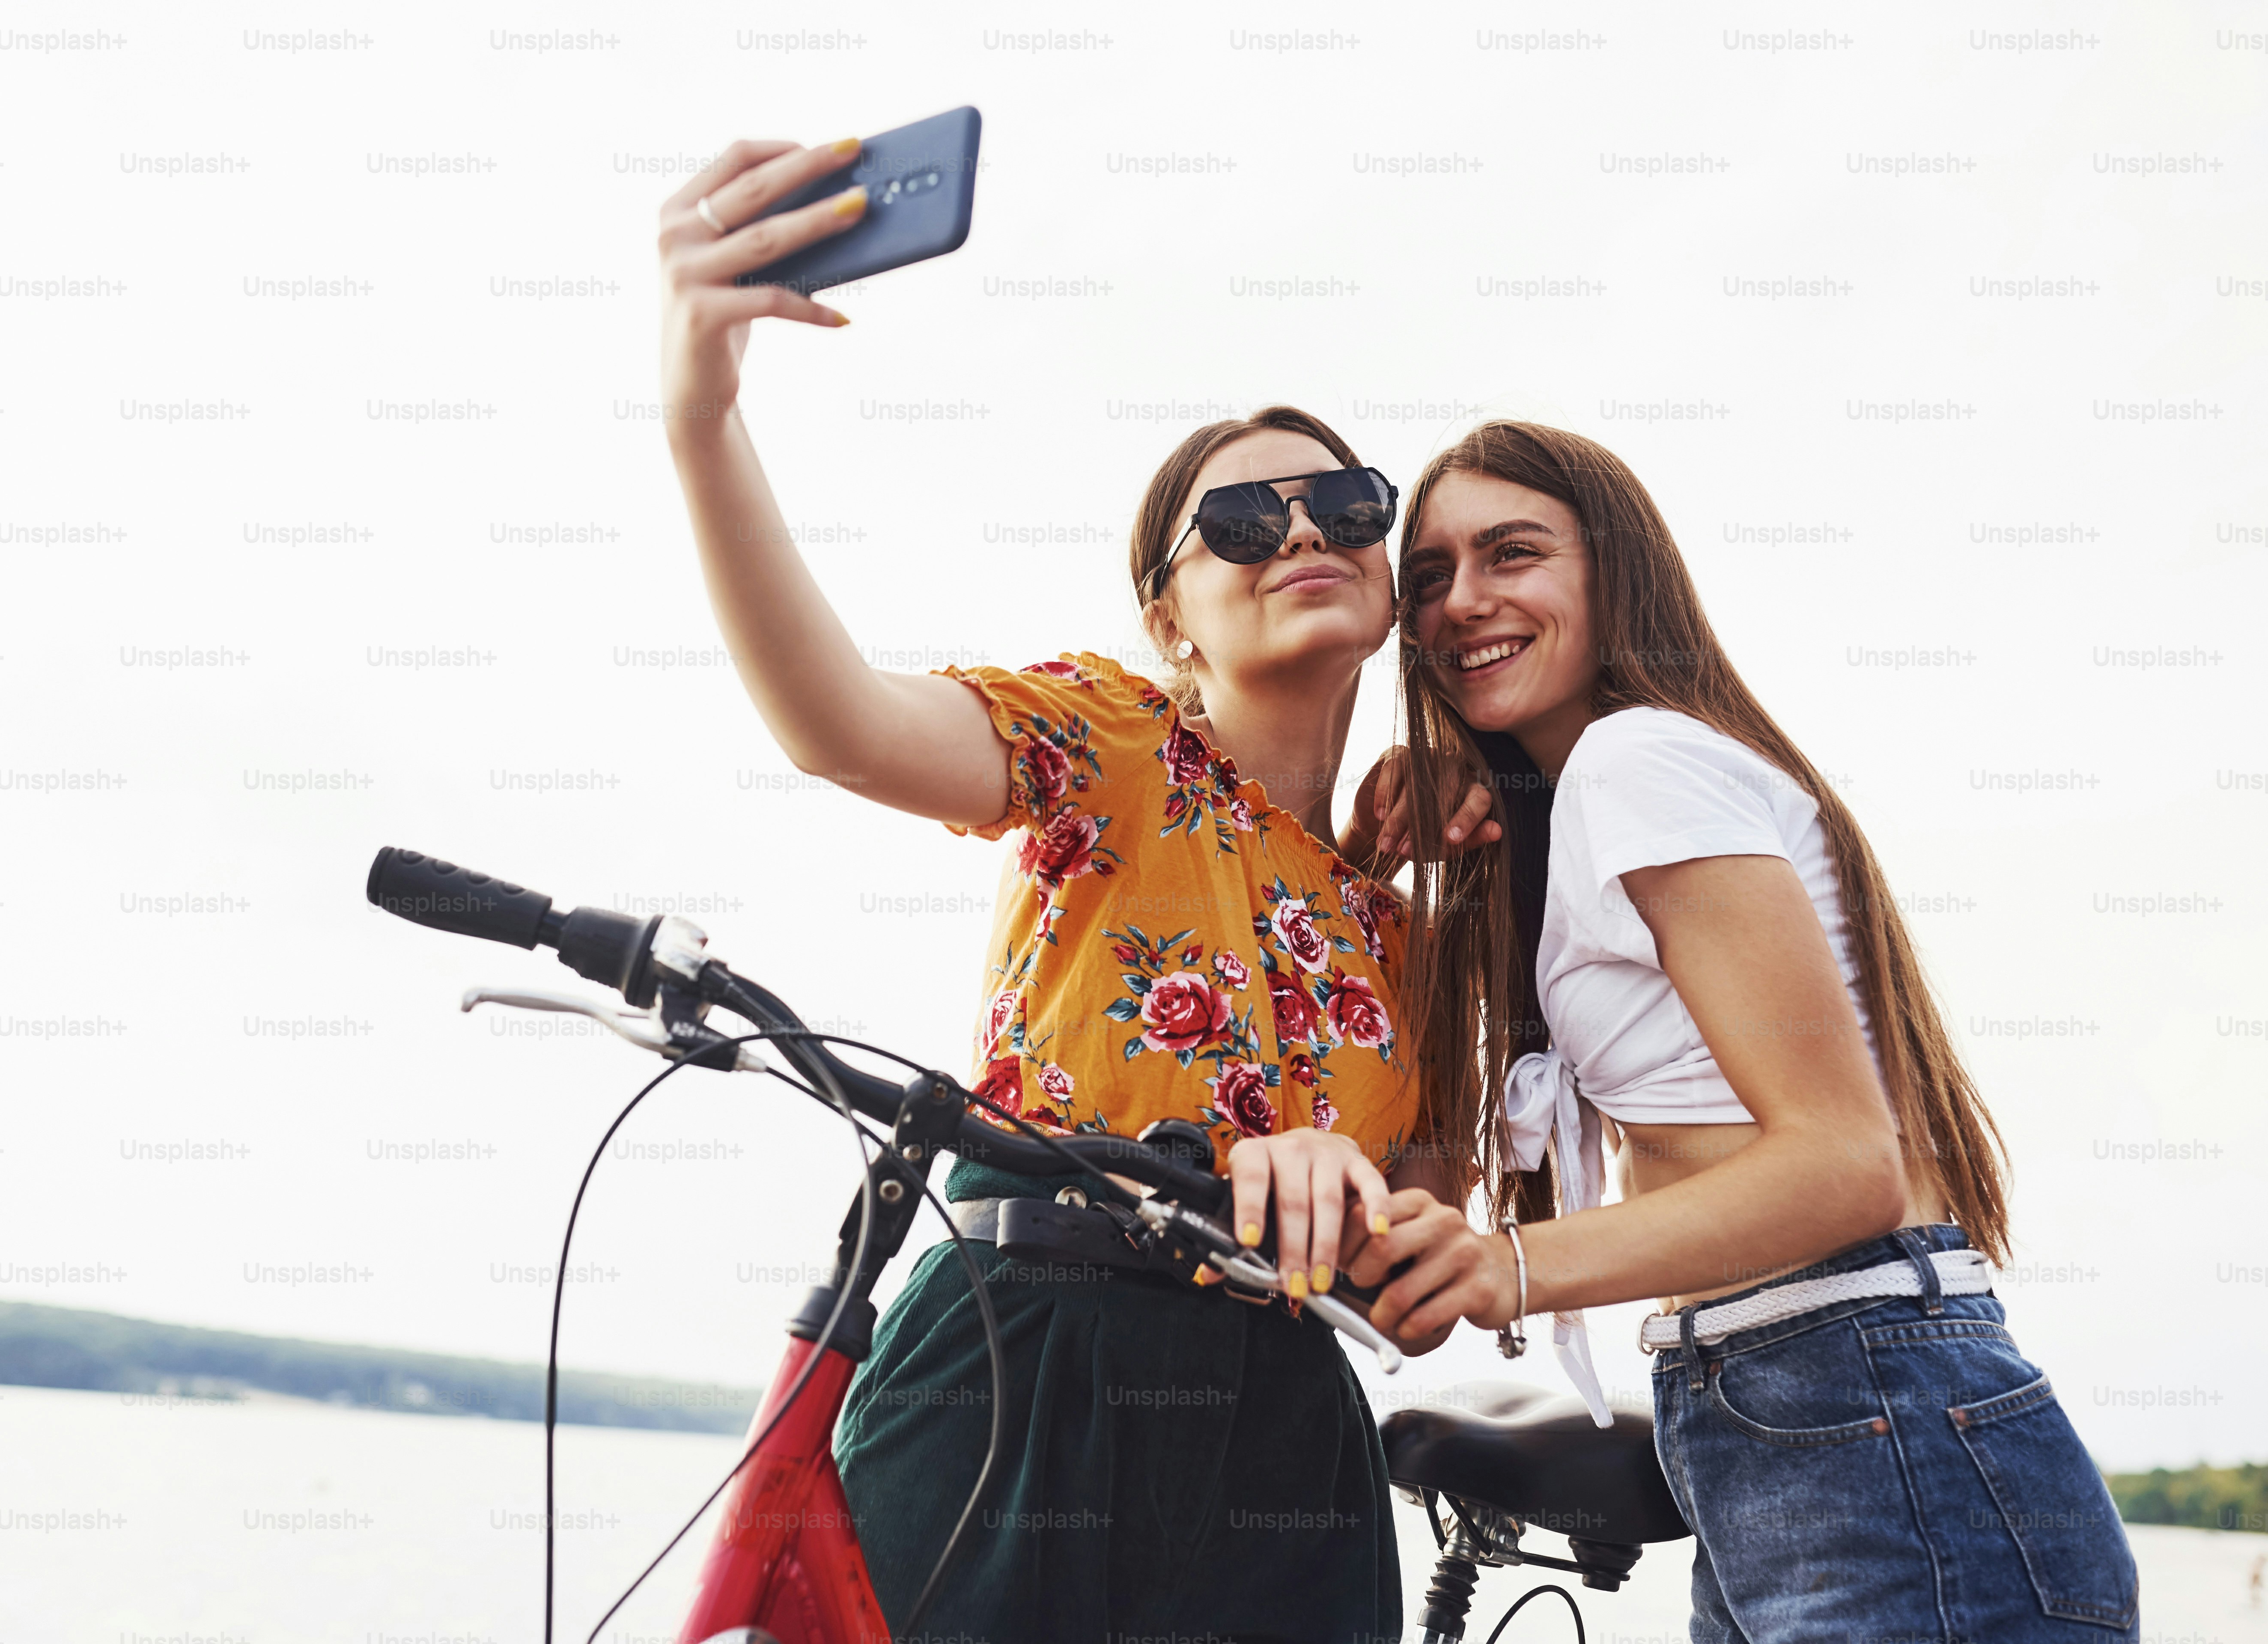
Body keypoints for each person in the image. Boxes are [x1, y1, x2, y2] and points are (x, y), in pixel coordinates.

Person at [654, 137, 1495, 1641]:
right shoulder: (1117, 741)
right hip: (1031, 1359)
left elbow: (1418, 1250)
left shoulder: (1405, 931)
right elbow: (839, 723)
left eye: (1343, 502)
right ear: (1170, 617)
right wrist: (702, 413)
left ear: (1389, 576)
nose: (1300, 529)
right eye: (1241, 522)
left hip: (1289, 1424)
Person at [1343, 421, 2140, 1639]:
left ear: (1619, 573)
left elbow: (1843, 1163)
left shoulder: (1636, 760)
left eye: (1513, 554)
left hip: (1862, 1402)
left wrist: (1507, 1268)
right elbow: (1437, 1137)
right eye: (1434, 574)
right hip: (1785, 1412)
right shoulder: (1573, 812)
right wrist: (1379, 872)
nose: (1464, 603)